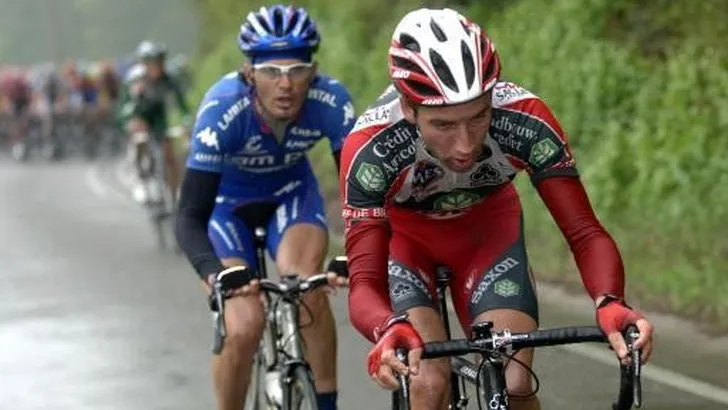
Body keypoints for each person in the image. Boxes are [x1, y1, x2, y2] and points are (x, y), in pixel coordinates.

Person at [340, 8, 655, 410]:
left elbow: (584, 232)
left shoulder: (525, 119)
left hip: (488, 236)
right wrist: (387, 327)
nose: (465, 144)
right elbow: (364, 283)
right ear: (408, 108)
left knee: (515, 381)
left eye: (478, 117)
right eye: (443, 125)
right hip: (406, 244)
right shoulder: (371, 148)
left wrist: (611, 301)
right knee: (426, 384)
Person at [175, 5, 355, 410]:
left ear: (314, 71)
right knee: (244, 325)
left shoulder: (331, 101)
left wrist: (356, 253)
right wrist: (214, 275)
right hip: (226, 207)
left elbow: (359, 193)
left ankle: (326, 403)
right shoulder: (222, 110)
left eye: (297, 69)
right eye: (271, 71)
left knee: (307, 287)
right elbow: (188, 216)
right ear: (249, 72)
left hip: (292, 194)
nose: (286, 83)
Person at [118, 41, 190, 204]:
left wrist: (186, 120)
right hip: (139, 116)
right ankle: (139, 180)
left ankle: (174, 189)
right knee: (139, 142)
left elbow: (181, 104)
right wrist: (129, 119)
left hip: (159, 118)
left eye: (159, 62)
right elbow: (123, 108)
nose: (156, 67)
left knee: (169, 151)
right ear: (144, 65)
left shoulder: (169, 78)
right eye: (152, 63)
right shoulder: (134, 79)